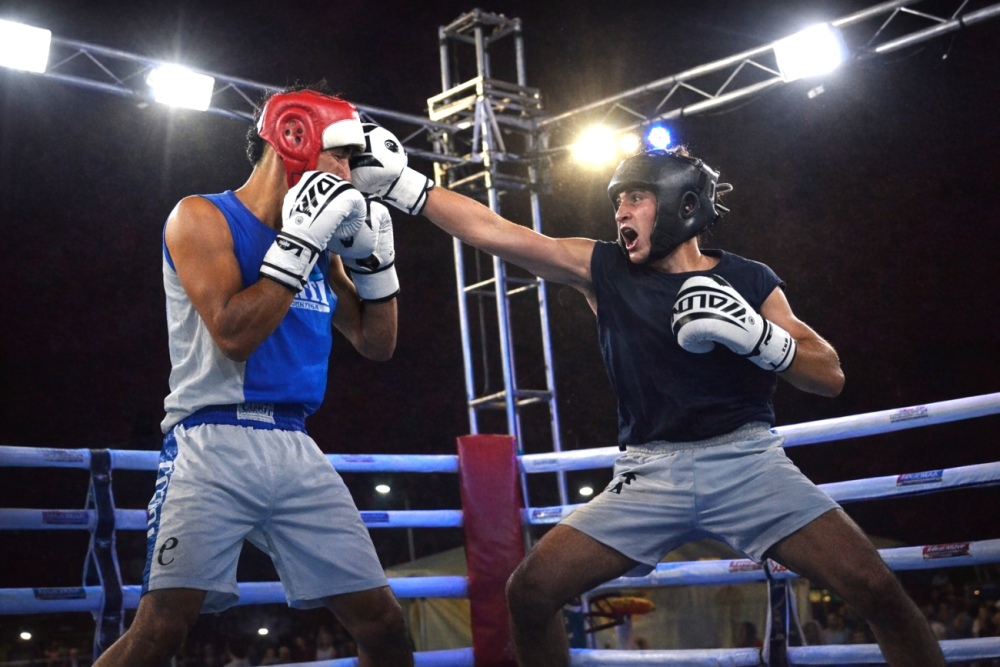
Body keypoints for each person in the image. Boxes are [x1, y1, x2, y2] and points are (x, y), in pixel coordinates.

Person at [347, 129, 947, 667]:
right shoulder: (604, 269)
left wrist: (762, 339)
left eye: (634, 198)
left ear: (683, 206)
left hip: (750, 465)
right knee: (529, 592)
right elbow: (501, 235)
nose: (620, 213)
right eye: (616, 202)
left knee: (876, 589)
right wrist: (409, 186)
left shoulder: (748, 279)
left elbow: (829, 374)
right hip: (648, 474)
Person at [92, 84, 412, 667]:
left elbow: (377, 343)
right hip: (211, 444)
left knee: (385, 625)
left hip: (296, 447)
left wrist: (378, 269)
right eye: (340, 155)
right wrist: (299, 244)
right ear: (294, 139)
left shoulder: (323, 245)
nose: (350, 171)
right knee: (161, 631)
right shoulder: (201, 217)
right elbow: (234, 334)